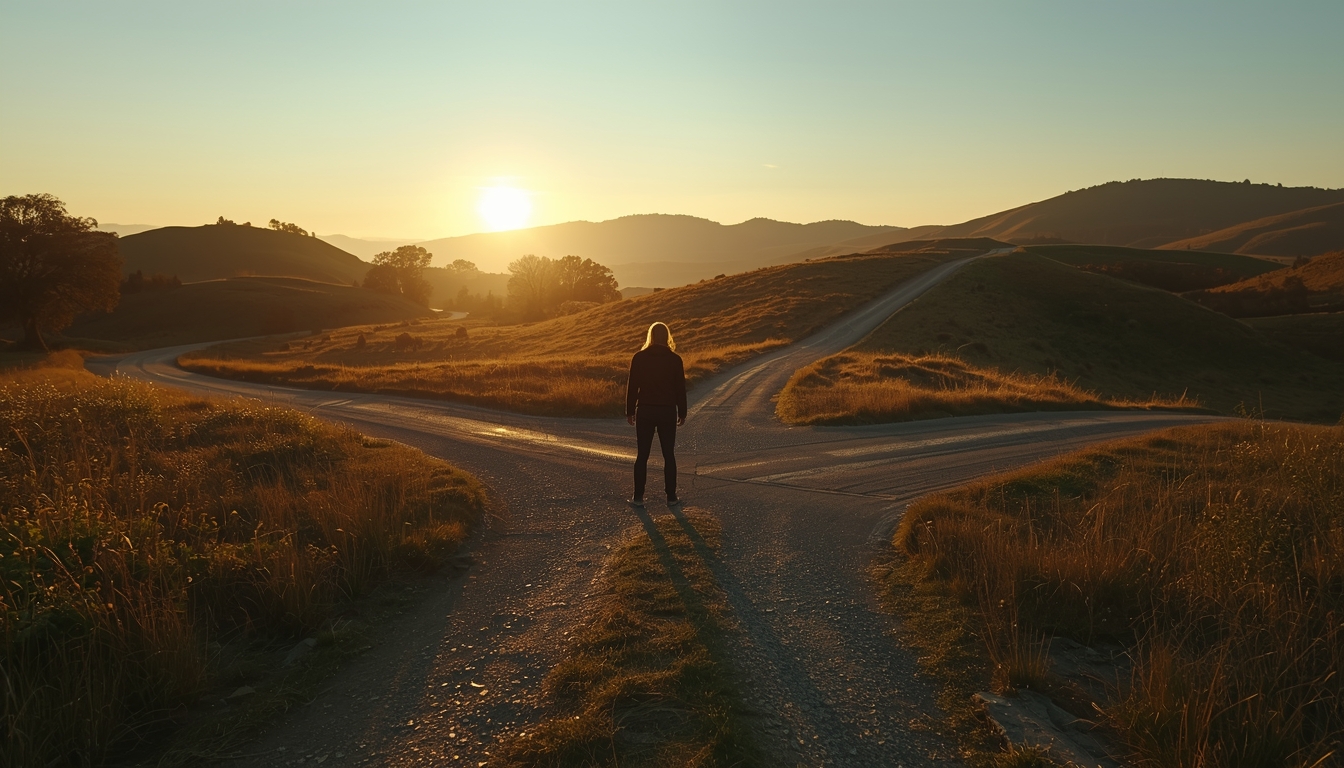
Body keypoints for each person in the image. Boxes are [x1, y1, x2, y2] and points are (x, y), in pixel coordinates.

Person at [625, 321, 687, 508]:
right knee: (669, 455)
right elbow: (680, 389)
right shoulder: (675, 360)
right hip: (667, 411)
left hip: (645, 410)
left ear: (650, 336)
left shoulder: (639, 358)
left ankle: (638, 497)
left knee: (642, 455)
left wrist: (629, 411)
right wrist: (682, 412)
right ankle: (671, 497)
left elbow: (632, 387)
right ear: (667, 337)